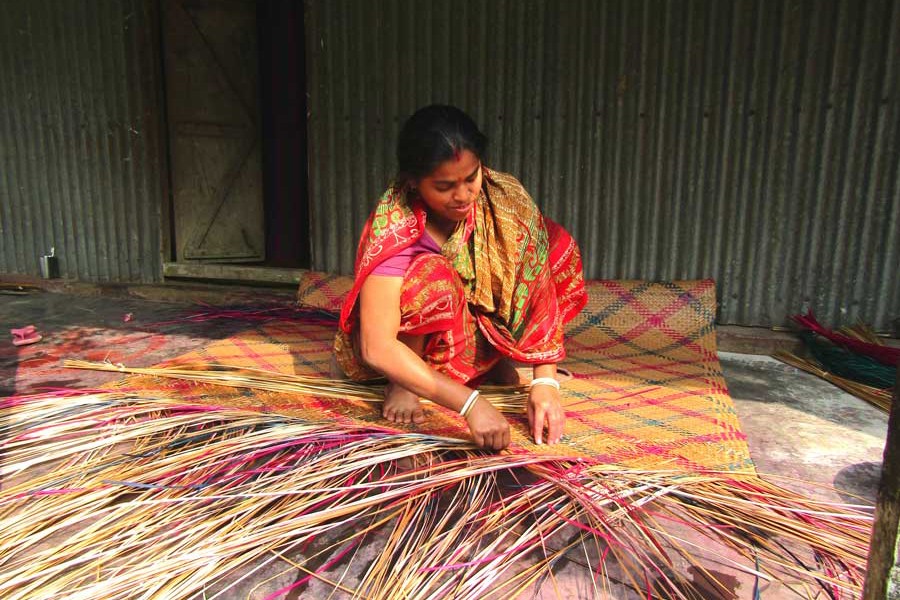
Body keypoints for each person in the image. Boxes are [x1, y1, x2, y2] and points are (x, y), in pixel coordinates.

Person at [334, 105, 587, 450]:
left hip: (477, 329)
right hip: (411, 347)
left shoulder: (503, 201)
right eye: (445, 186)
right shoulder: (394, 228)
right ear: (413, 182)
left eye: (471, 177)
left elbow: (537, 284)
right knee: (431, 276)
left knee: (553, 243)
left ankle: (490, 360)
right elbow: (376, 347)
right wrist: (471, 404)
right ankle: (405, 382)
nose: (464, 195)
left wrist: (545, 383)